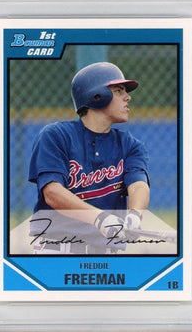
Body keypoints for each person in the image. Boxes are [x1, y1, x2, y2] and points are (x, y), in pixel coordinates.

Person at [28, 62, 150, 254]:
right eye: (118, 91)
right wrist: (99, 218)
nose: (128, 97)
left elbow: (138, 185)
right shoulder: (56, 136)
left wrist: (135, 215)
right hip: (57, 250)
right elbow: (52, 193)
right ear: (97, 96)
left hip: (104, 256)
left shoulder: (130, 145)